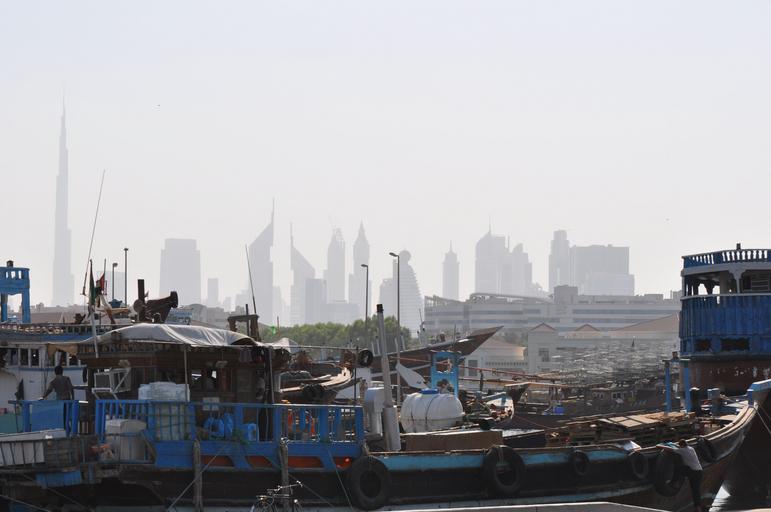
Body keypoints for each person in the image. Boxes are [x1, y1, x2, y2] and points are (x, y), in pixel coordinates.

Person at [659, 439, 703, 511]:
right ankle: (698, 507)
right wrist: (675, 445)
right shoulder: (691, 448)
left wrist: (660, 446)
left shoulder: (682, 450)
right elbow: (679, 447)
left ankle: (673, 482)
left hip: (693, 472)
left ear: (682, 445)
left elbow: (670, 449)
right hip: (699, 472)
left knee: (678, 469)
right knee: (695, 490)